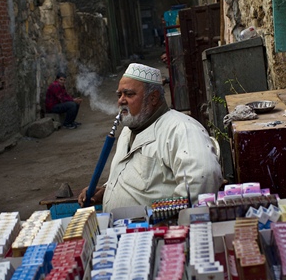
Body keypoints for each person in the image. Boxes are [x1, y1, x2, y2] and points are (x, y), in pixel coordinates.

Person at [78, 63, 223, 212]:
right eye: (119, 95)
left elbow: (203, 178)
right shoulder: (128, 131)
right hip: (125, 230)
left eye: (129, 94)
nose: (121, 100)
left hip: (158, 231)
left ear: (153, 98)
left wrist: (164, 217)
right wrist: (107, 190)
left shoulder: (182, 129)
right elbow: (134, 176)